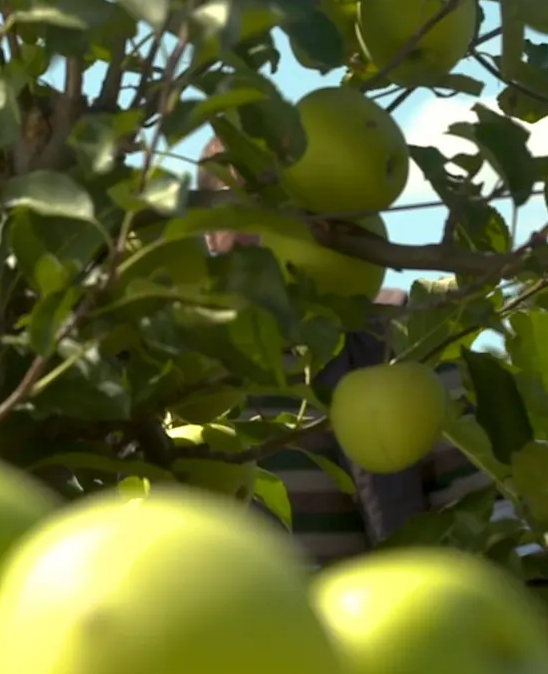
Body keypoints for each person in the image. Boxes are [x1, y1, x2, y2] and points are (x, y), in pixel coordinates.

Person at [194, 134, 507, 560]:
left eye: (299, 201)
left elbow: (489, 525)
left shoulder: (404, 346)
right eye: (252, 202)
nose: (281, 224)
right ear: (208, 231)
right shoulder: (176, 368)